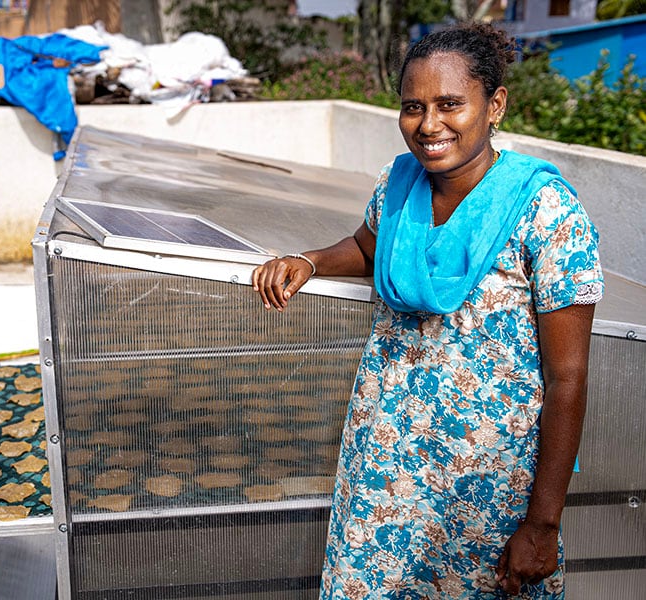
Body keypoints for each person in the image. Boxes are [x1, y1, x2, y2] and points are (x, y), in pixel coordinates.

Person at [252, 23, 603, 599]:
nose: (429, 124)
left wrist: (542, 524)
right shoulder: (399, 182)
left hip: (488, 488)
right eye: (413, 107)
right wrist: (311, 260)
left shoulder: (546, 209)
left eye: (450, 104)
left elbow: (568, 378)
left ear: (495, 106)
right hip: (384, 468)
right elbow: (370, 246)